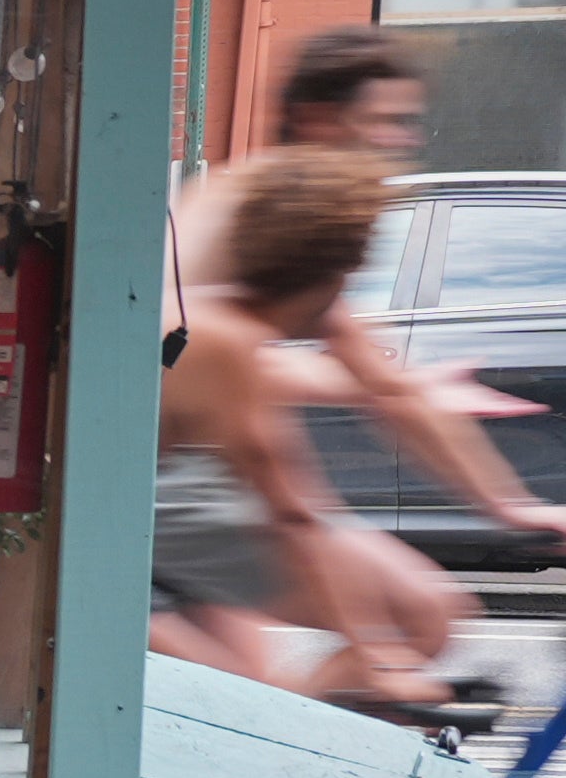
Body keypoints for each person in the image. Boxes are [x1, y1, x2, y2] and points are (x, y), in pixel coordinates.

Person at [170, 26, 566, 710]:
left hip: (207, 476)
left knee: (284, 673)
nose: (403, 141)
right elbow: (189, 366)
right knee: (404, 621)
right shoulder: (252, 215)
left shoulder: (312, 217)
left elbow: (383, 389)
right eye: (387, 122)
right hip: (162, 483)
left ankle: (286, 748)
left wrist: (514, 506)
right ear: (318, 118)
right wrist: (381, 657)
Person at [157, 147, 407, 692]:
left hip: (129, 541)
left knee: (252, 689)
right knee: (240, 704)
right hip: (104, 557)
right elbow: (292, 511)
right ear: (334, 277)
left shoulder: (209, 321)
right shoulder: (226, 344)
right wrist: (381, 658)